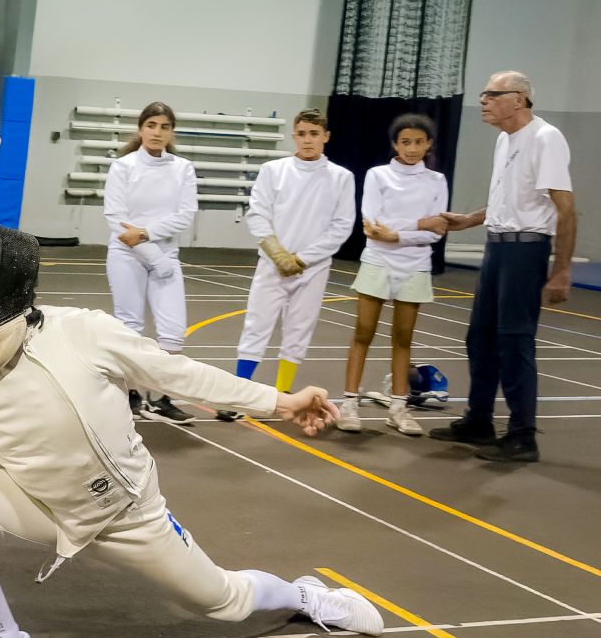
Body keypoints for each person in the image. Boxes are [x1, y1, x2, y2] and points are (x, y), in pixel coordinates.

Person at [0, 220, 381, 638]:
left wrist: (282, 402)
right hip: (42, 506)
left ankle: (306, 597)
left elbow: (181, 376)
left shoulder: (83, 332)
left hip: (128, 515)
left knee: (225, 602)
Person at [429, 71, 577, 463]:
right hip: (497, 247)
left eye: (493, 94)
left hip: (525, 252)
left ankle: (523, 435)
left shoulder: (546, 138)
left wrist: (561, 269)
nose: (484, 100)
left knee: (514, 341)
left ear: (520, 99)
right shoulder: (504, 139)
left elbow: (565, 209)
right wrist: (469, 220)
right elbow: (507, 201)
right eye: (484, 94)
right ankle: (479, 421)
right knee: (480, 338)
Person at [218, 109, 355, 421]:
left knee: (298, 331)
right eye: (302, 134)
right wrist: (278, 254)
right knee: (256, 325)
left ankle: (282, 396)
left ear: (326, 137)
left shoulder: (341, 178)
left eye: (314, 134)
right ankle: (241, 394)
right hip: (272, 264)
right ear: (294, 135)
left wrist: (303, 259)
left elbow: (341, 226)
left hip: (313, 268)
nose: (308, 140)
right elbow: (258, 213)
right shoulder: (273, 170)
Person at [336, 114, 449, 436]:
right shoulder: (377, 175)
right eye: (405, 142)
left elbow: (437, 230)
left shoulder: (436, 181)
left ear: (429, 144)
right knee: (363, 333)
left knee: (403, 338)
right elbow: (372, 224)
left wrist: (399, 233)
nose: (412, 149)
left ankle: (398, 408)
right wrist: (418, 224)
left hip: (415, 266)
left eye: (418, 142)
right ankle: (349, 404)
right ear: (395, 144)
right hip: (378, 262)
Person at [102, 101, 199, 425]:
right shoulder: (124, 167)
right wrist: (149, 251)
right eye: (152, 125)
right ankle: (129, 393)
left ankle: (160, 398)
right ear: (141, 128)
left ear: (171, 131)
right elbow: (117, 219)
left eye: (164, 127)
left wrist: (147, 234)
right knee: (129, 327)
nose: (157, 132)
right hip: (126, 255)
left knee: (173, 331)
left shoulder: (182, 168)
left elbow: (185, 214)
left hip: (166, 255)